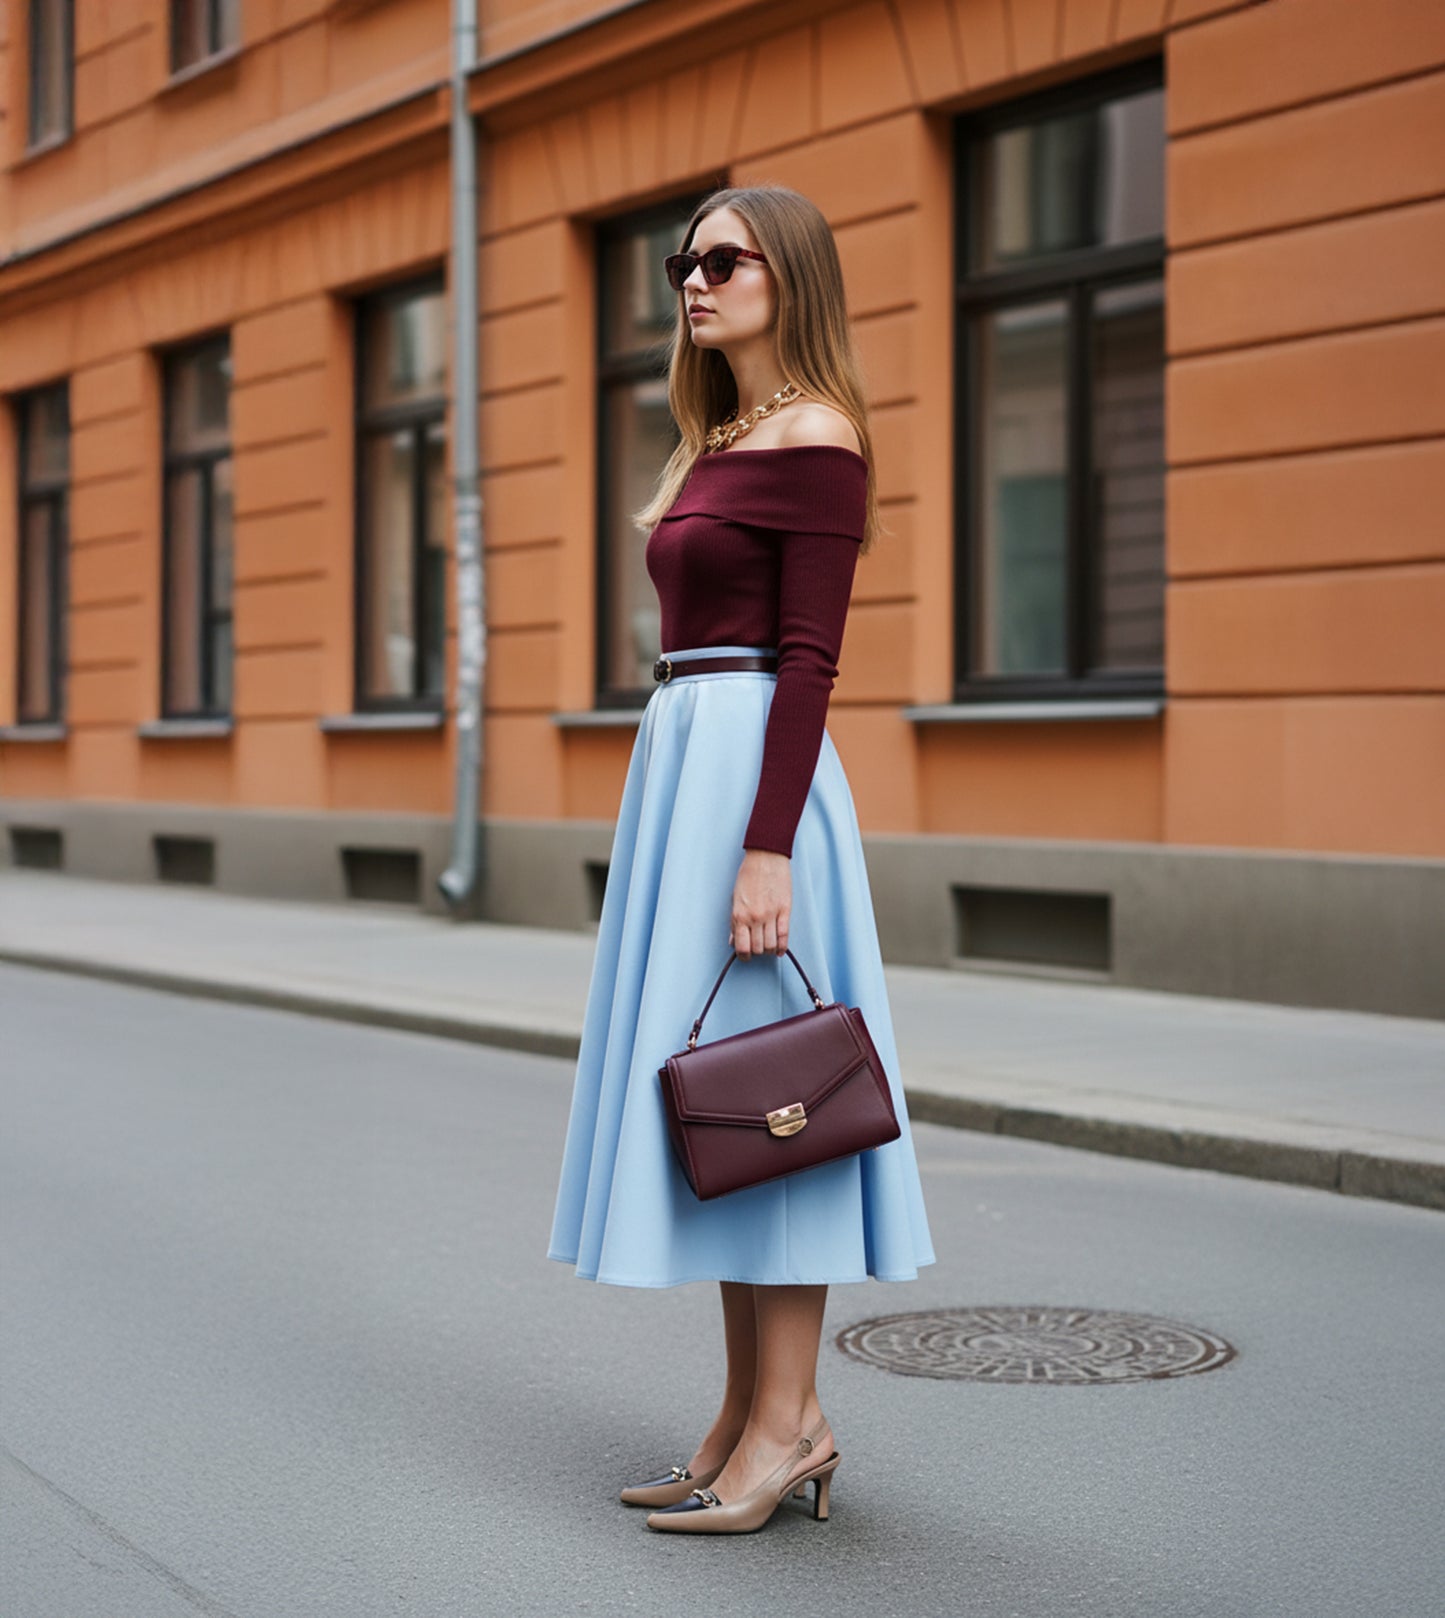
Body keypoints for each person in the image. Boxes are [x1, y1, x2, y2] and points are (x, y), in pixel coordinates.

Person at [547, 184, 935, 1535]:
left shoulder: (817, 436)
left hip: (756, 781)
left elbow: (811, 658)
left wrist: (766, 843)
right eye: (681, 262)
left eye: (724, 259)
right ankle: (742, 1417)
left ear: (793, 277)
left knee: (780, 1103)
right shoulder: (716, 438)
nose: (693, 282)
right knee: (724, 1105)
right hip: (692, 770)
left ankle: (792, 1421)